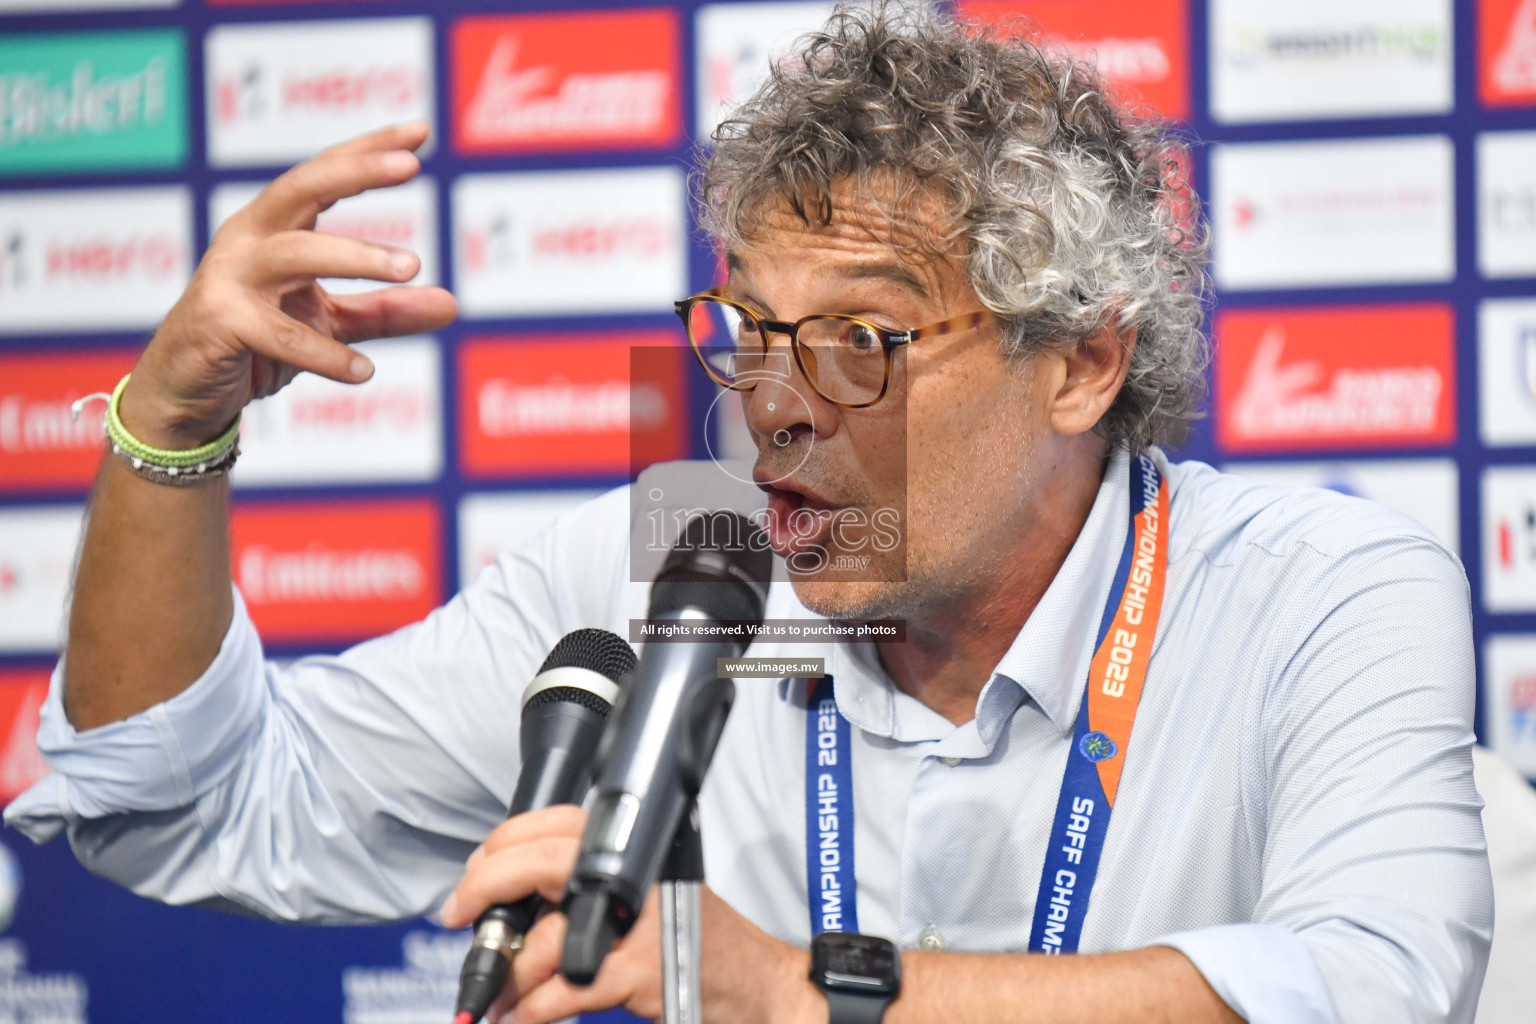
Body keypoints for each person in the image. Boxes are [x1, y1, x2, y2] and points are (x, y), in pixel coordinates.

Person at [7, 5, 1492, 1024]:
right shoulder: (681, 554)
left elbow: (1370, 989)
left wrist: (778, 985)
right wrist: (170, 436)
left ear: (1083, 364)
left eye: (864, 339)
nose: (773, 400)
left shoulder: (1322, 592)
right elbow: (177, 805)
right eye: (747, 326)